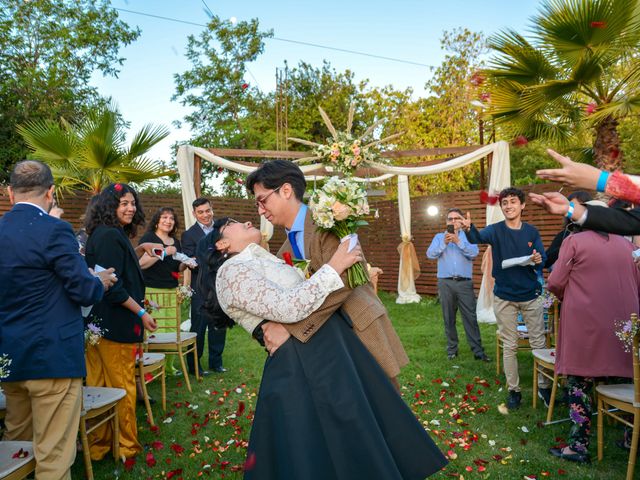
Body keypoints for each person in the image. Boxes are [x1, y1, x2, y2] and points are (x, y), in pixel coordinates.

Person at [203, 217, 448, 480]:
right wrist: (335, 266)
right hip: (302, 360)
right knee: (320, 441)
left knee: (354, 424)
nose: (248, 221)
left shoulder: (261, 258)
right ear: (222, 243)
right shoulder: (232, 270)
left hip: (329, 344)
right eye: (233, 223)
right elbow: (287, 306)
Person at [245, 160, 408, 387]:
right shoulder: (284, 250)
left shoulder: (328, 222)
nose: (260, 210)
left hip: (359, 327)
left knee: (385, 407)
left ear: (285, 190)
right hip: (328, 343)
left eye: (262, 200)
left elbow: (343, 282)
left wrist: (290, 329)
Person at [0, 160, 116, 479]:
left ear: (10, 193)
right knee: (52, 456)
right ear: (51, 192)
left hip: (9, 357)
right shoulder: (56, 230)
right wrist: (99, 282)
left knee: (15, 449)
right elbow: (82, 290)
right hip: (52, 357)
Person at [546, 200, 640, 464]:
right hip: (624, 326)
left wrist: (571, 294)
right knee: (631, 383)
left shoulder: (574, 241)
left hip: (585, 324)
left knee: (579, 384)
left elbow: (554, 282)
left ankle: (578, 445)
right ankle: (631, 438)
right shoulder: (630, 246)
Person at [83, 183, 160, 460]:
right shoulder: (108, 236)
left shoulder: (106, 234)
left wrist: (139, 251)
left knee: (101, 387)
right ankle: (126, 446)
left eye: (132, 203)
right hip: (115, 324)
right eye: (123, 203)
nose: (130, 208)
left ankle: (100, 445)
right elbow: (113, 288)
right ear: (109, 206)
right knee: (121, 388)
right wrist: (141, 312)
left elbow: (121, 271)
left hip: (101, 326)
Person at [462, 187, 551, 410]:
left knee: (538, 343)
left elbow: (542, 259)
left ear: (522, 205)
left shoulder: (531, 232)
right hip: (504, 297)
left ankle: (544, 387)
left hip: (531, 295)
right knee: (510, 345)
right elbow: (477, 238)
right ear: (501, 207)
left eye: (513, 201)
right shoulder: (495, 230)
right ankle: (514, 391)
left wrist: (539, 257)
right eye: (504, 203)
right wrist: (468, 228)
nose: (509, 205)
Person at [426, 207, 489, 361]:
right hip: (445, 282)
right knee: (449, 318)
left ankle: (478, 352)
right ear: (446, 222)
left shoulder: (468, 237)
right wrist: (444, 244)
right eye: (450, 219)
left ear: (462, 222)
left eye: (456, 219)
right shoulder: (439, 237)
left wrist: (458, 242)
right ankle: (452, 350)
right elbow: (430, 254)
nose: (453, 221)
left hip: (464, 284)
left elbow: (474, 254)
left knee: (470, 318)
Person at [139, 207, 191, 376]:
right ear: (157, 220)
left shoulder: (176, 242)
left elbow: (176, 267)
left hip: (171, 289)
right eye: (164, 217)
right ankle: (153, 367)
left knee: (170, 328)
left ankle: (169, 366)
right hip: (152, 291)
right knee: (155, 329)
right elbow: (142, 264)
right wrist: (164, 252)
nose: (168, 221)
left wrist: (186, 263)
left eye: (171, 218)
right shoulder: (149, 239)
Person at [182, 197, 226, 374]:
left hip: (220, 285)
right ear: (194, 214)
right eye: (200, 212)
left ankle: (216, 362)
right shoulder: (189, 235)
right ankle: (194, 365)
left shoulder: (222, 230)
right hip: (200, 287)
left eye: (208, 210)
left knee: (218, 325)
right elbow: (193, 260)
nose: (205, 215)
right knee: (198, 327)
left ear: (212, 210)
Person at [544, 191, 592, 270]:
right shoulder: (565, 234)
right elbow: (546, 261)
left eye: (579, 206)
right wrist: (566, 247)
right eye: (571, 207)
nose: (574, 211)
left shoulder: (600, 233)